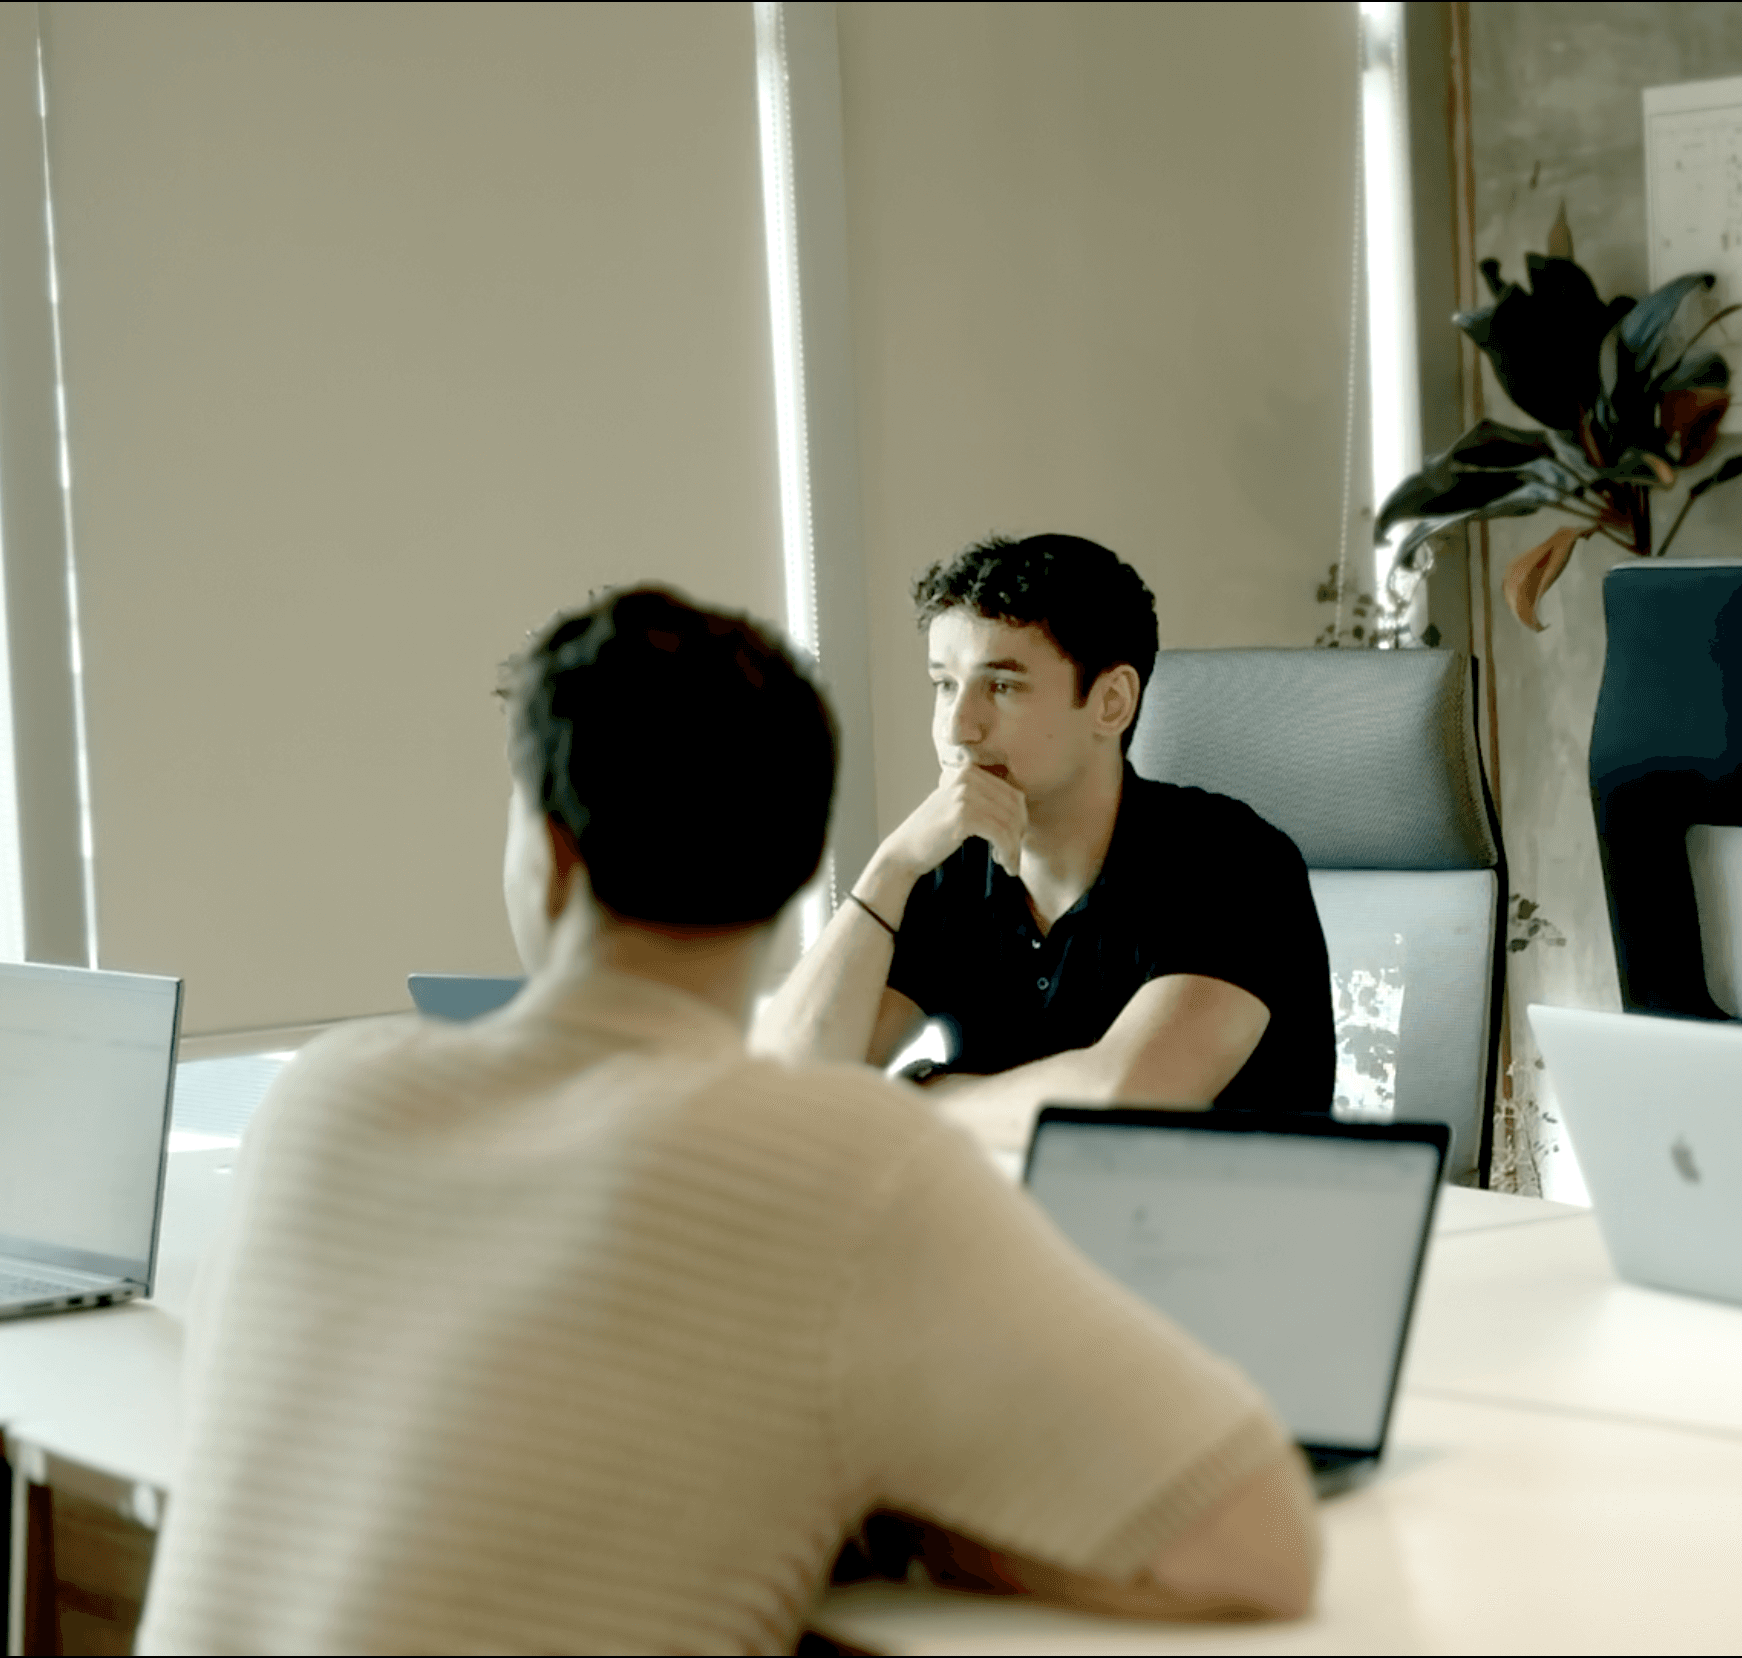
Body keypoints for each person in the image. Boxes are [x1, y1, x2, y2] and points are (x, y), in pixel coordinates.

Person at [137, 586, 1316, 1653]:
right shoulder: (846, 1168)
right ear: (803, 861)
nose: (964, 723)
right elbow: (1256, 1547)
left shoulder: (319, 1101)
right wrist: (904, 1509)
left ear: (549, 856)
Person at [758, 533, 1335, 1154]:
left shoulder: (1232, 861)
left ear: (1111, 703)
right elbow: (784, 1089)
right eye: (944, 686)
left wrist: (912, 1103)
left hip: (1230, 1238)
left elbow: (1127, 1097)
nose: (958, 727)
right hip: (1020, 1235)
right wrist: (891, 868)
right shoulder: (949, 873)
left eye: (1001, 687)